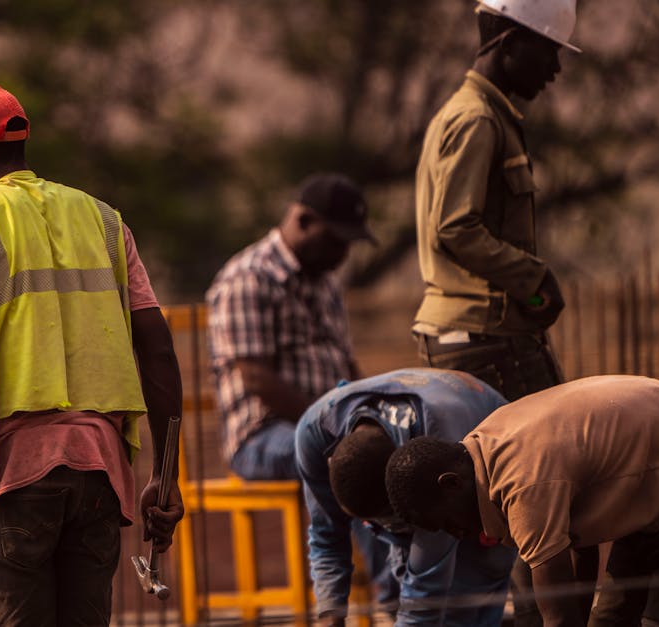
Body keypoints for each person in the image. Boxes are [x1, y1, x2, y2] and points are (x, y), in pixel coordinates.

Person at [0, 76, 185, 626]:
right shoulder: (104, 220)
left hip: (13, 480)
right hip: (101, 477)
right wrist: (166, 474)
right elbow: (158, 353)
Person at [386, 376, 659, 627]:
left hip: (650, 480)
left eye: (448, 524)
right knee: (610, 619)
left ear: (451, 483)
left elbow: (559, 618)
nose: (458, 535)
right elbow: (579, 561)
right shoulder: (487, 440)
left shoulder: (521, 485)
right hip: (643, 486)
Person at [412, 0, 582, 399]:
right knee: (543, 458)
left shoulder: (475, 114)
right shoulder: (477, 120)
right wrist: (534, 279)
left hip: (481, 336)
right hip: (483, 340)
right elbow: (456, 228)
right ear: (508, 44)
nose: (555, 70)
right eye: (549, 51)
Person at [296, 367, 515, 626]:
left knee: (464, 601)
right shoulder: (315, 432)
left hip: (485, 453)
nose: (386, 530)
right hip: (431, 447)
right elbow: (326, 535)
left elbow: (425, 596)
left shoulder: (440, 444)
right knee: (397, 592)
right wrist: (330, 616)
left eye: (396, 523)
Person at [206, 172, 374, 482]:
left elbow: (348, 365)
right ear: (304, 220)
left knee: (386, 450)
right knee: (351, 460)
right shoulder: (249, 278)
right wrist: (329, 425)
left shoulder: (327, 284)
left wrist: (372, 414)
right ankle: (332, 533)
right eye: (335, 240)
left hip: (331, 427)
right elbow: (257, 378)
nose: (342, 254)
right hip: (261, 436)